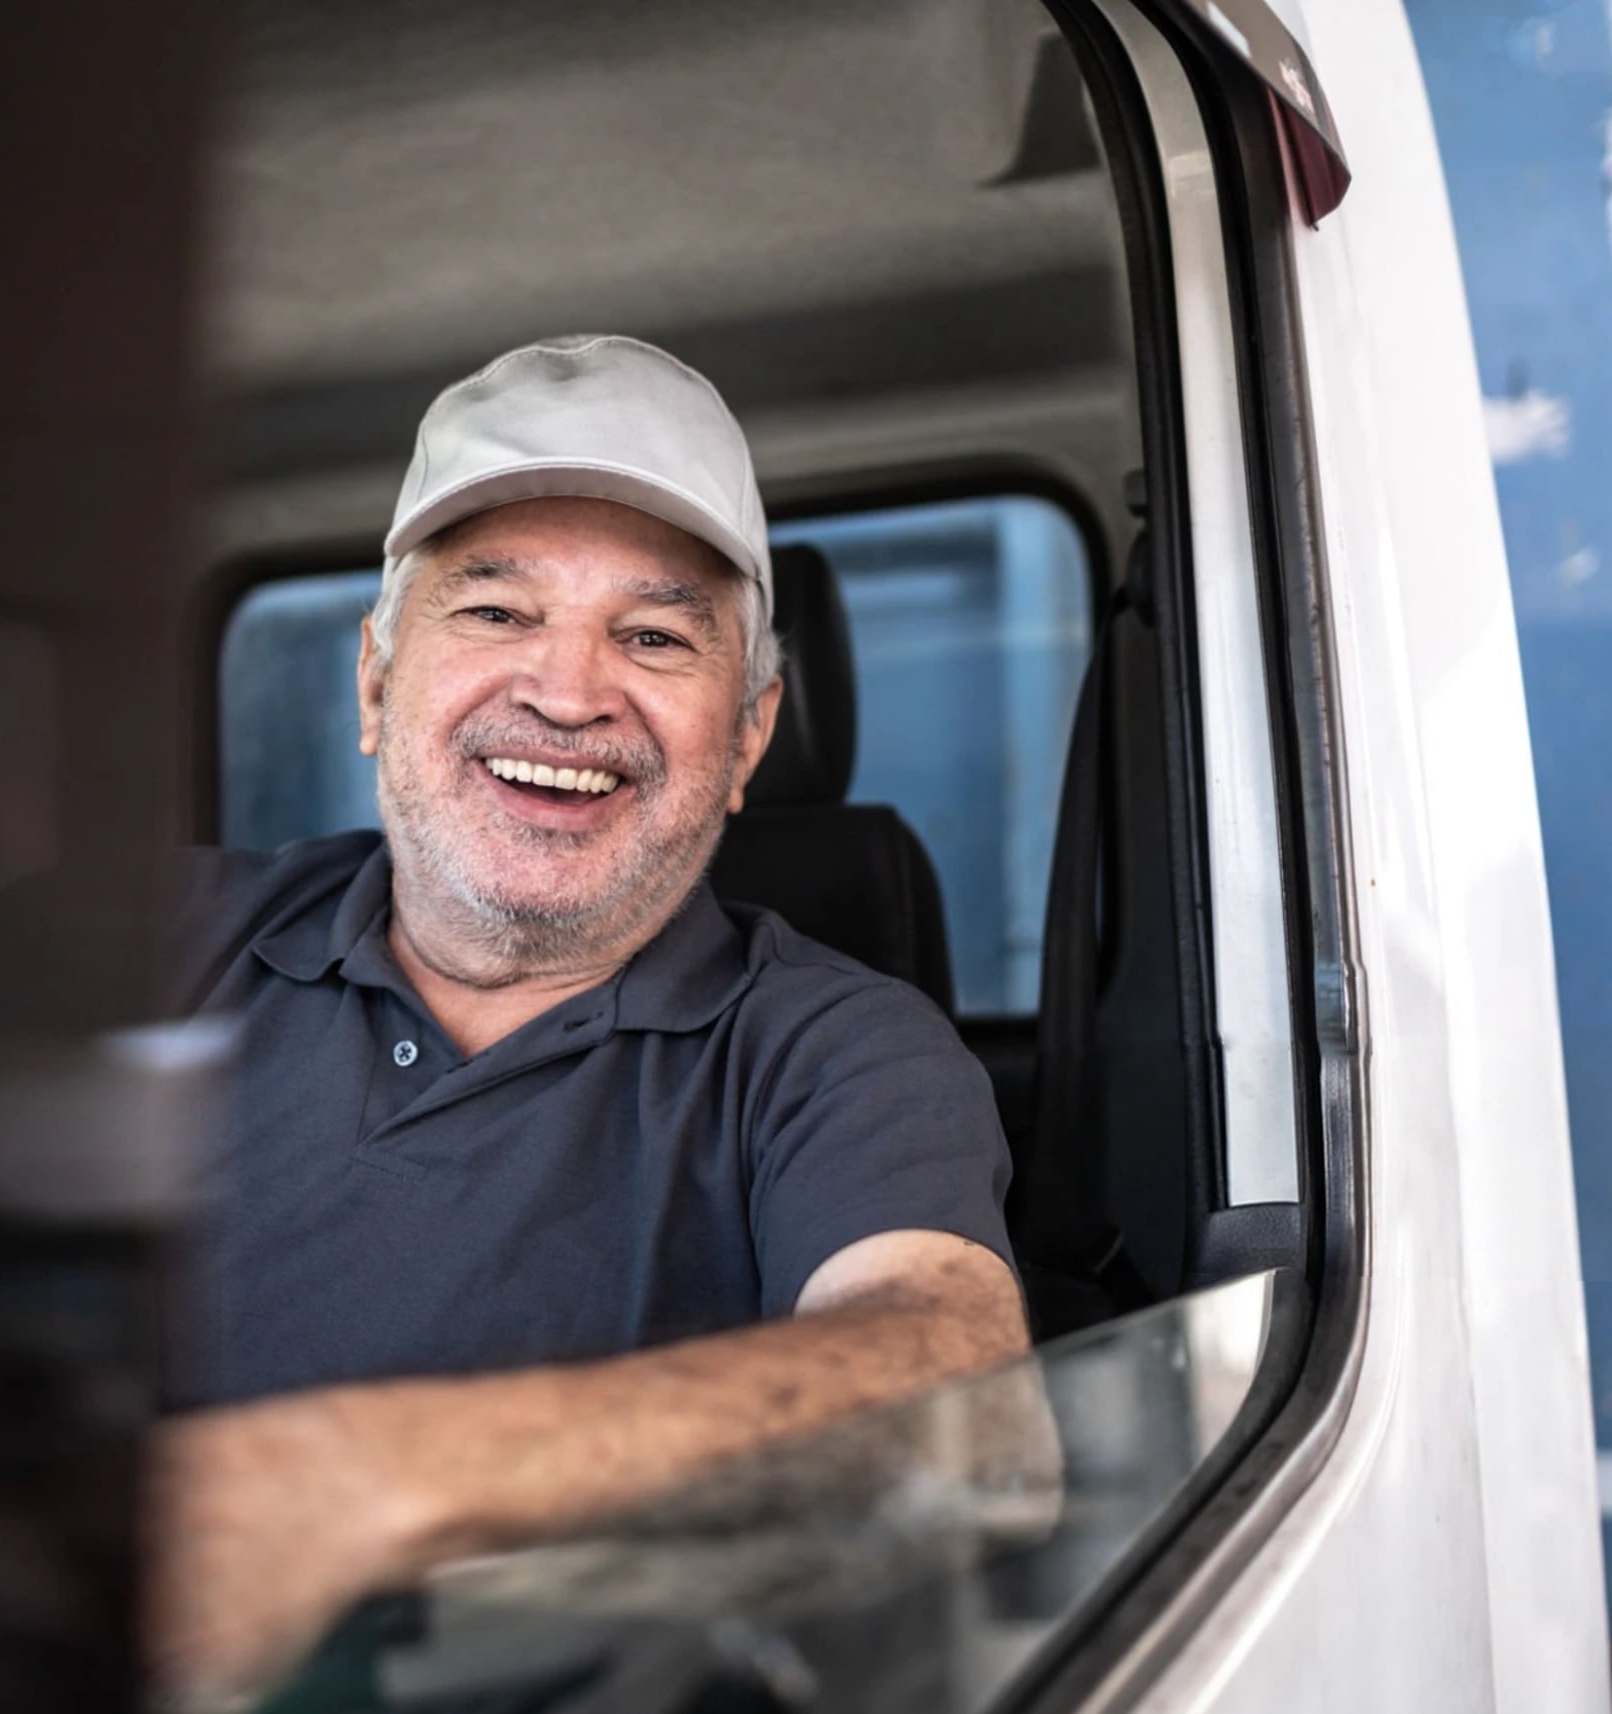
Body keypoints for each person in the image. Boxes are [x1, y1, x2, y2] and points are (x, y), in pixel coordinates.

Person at [121, 335, 1027, 1699]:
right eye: (495, 612)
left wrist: (351, 1487)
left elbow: (969, 1406)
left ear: (749, 737)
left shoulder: (836, 1053)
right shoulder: (163, 941)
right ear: (374, 684)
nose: (568, 690)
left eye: (654, 635)